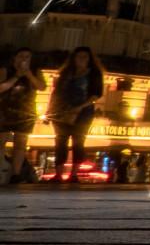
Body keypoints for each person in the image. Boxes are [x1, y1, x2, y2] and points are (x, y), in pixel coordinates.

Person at [47, 46, 104, 183]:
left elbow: (96, 94)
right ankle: (59, 174)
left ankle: (73, 174)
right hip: (62, 111)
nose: (82, 59)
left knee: (78, 142)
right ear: (74, 58)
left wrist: (80, 107)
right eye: (79, 56)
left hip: (83, 113)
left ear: (90, 59)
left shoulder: (94, 74)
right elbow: (56, 92)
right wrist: (49, 110)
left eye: (85, 57)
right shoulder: (66, 73)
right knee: (60, 142)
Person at [1, 48, 47, 184]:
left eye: (27, 57)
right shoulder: (5, 70)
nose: (24, 59)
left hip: (25, 110)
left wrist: (28, 75)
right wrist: (16, 76)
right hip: (5, 109)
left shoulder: (35, 71)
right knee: (1, 141)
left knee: (21, 143)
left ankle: (16, 173)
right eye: (21, 56)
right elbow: (2, 87)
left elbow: (41, 87)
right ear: (15, 58)